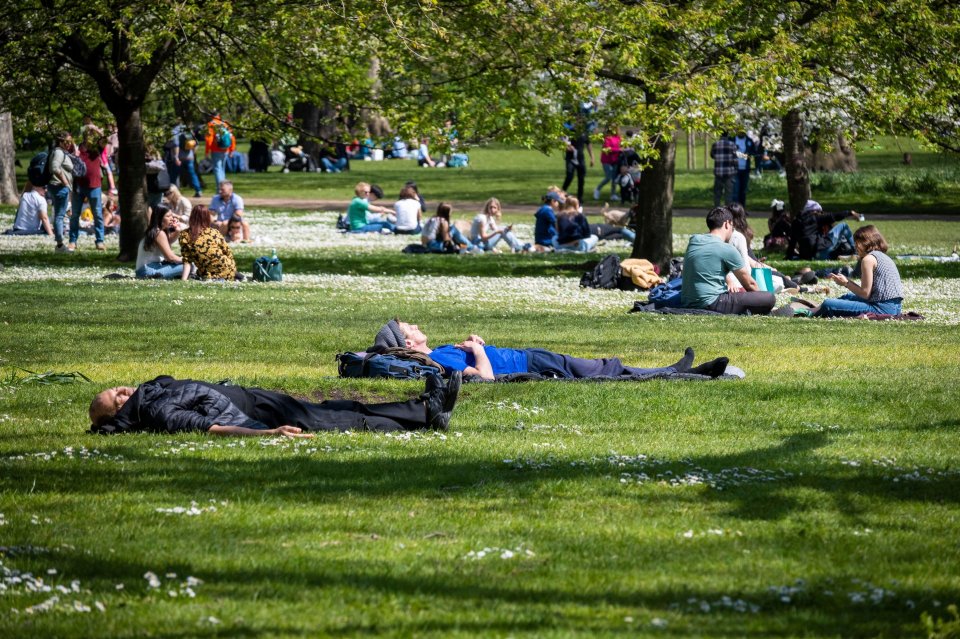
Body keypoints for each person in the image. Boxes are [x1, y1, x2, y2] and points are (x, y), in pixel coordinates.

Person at [89, 372, 462, 436]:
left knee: (337, 407)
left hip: (255, 398)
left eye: (116, 389)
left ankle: (427, 410)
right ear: (119, 414)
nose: (123, 392)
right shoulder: (154, 410)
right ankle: (427, 411)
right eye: (116, 400)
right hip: (257, 414)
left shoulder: (150, 394)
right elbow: (211, 428)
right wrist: (268, 432)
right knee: (340, 419)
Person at [374, 320, 731, 381]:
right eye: (410, 328)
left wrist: (476, 345)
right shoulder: (435, 363)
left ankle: (674, 370)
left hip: (531, 356)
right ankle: (678, 372)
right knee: (603, 370)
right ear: (408, 344)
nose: (417, 326)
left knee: (603, 368)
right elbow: (484, 378)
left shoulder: (437, 351)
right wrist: (478, 353)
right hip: (530, 364)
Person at [680, 207, 776, 315]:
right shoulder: (727, 249)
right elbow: (750, 284)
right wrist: (760, 299)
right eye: (732, 226)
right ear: (727, 224)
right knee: (769, 297)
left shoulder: (694, 240)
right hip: (712, 303)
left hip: (687, 302)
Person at [811, 225, 903, 318]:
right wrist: (847, 281)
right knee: (848, 296)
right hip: (895, 308)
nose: (855, 246)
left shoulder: (868, 259)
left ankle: (811, 312)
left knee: (829, 304)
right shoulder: (883, 256)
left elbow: (865, 294)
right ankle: (816, 309)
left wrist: (846, 283)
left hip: (881, 309)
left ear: (867, 242)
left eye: (857, 243)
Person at [178, 204, 238, 280]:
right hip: (228, 270)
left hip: (208, 274)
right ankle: (234, 275)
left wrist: (184, 279)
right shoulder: (214, 232)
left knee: (199, 275)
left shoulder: (184, 235)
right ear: (207, 217)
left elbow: (187, 260)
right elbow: (228, 252)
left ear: (192, 217)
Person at [786, 200, 860, 260]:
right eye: (820, 212)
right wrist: (850, 213)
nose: (820, 214)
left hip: (810, 256)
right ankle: (856, 251)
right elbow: (834, 216)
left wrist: (788, 256)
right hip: (821, 251)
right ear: (815, 211)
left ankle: (840, 256)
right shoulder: (815, 217)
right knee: (843, 225)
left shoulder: (795, 222)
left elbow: (792, 242)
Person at [69, 131, 106, 251]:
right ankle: (72, 241)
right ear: (84, 137)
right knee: (75, 214)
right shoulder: (76, 149)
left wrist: (97, 131)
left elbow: (105, 140)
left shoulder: (96, 149)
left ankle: (100, 241)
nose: (91, 138)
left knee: (97, 214)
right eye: (89, 136)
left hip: (94, 185)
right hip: (78, 186)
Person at [135, 204, 184, 279]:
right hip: (149, 271)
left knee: (186, 265)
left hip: (146, 270)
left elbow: (168, 242)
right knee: (189, 266)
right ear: (159, 218)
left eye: (172, 215)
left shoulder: (156, 231)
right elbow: (170, 258)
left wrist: (177, 231)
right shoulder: (159, 233)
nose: (172, 219)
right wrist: (188, 259)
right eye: (168, 216)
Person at [48, 131, 75, 253]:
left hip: (57, 187)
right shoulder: (59, 152)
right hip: (59, 187)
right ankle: (60, 245)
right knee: (59, 216)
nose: (69, 144)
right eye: (67, 142)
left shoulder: (59, 152)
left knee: (59, 215)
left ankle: (60, 244)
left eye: (71, 142)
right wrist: (65, 182)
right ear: (61, 142)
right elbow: (55, 168)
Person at [204, 110, 235, 190]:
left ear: (211, 115)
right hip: (226, 149)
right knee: (222, 169)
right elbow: (232, 137)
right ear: (219, 115)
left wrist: (207, 151)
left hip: (216, 149)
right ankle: (225, 188)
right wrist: (232, 150)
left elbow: (209, 140)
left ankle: (220, 189)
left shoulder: (211, 124)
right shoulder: (225, 123)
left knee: (217, 169)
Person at [561, 129, 594, 203]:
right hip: (570, 158)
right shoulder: (569, 132)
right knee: (569, 176)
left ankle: (580, 197)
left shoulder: (584, 133)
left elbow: (588, 144)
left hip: (580, 159)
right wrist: (568, 147)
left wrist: (592, 157)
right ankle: (562, 193)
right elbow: (563, 143)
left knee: (581, 179)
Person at [593, 126, 621, 201]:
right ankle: (597, 189)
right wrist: (619, 150)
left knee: (614, 178)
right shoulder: (607, 138)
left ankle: (613, 194)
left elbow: (622, 146)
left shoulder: (618, 138)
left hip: (615, 160)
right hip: (606, 160)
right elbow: (607, 149)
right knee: (608, 177)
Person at [710, 132, 737, 207]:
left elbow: (712, 155)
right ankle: (728, 210)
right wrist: (735, 169)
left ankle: (717, 209)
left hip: (718, 172)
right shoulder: (732, 145)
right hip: (729, 173)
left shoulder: (715, 144)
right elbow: (735, 159)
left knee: (717, 193)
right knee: (728, 193)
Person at [732, 129, 756, 206]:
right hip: (735, 169)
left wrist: (748, 154)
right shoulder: (732, 139)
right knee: (735, 191)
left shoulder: (749, 141)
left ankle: (742, 209)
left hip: (745, 169)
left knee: (743, 191)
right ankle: (735, 209)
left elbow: (754, 152)